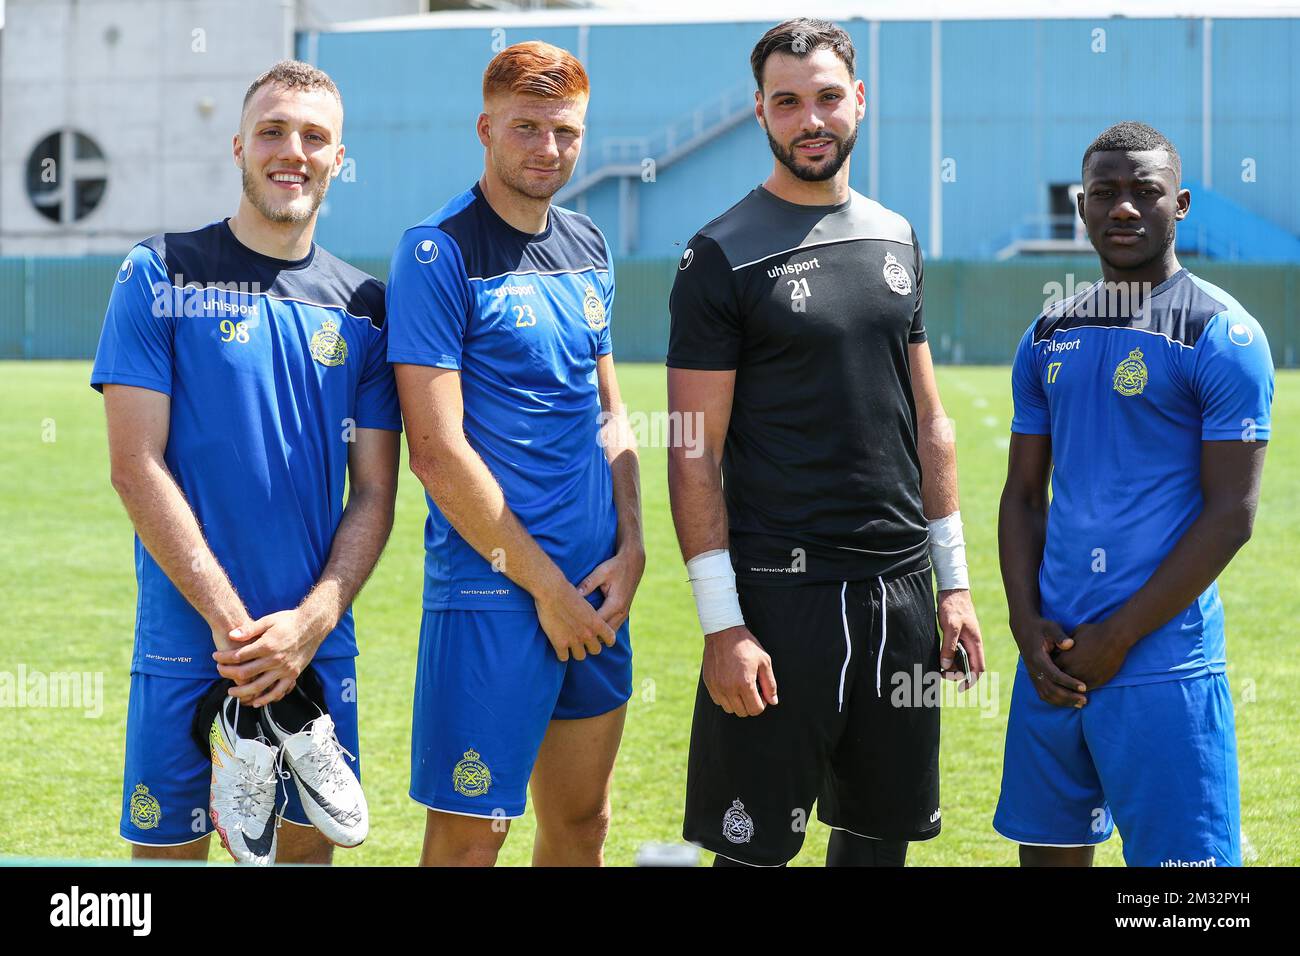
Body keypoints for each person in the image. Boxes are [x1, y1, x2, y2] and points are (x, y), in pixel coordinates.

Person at [667, 18, 984, 868]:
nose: (811, 119)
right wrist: (721, 625)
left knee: (880, 843)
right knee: (753, 853)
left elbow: (930, 421)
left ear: (860, 102)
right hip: (781, 599)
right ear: (762, 114)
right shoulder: (718, 254)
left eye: (828, 98)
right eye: (788, 102)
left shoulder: (896, 234)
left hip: (900, 593)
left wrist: (952, 585)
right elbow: (693, 449)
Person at [92, 60, 400, 864]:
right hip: (191, 642)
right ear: (239, 146)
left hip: (314, 646)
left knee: (303, 859)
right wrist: (239, 633)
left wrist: (309, 624)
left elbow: (372, 493)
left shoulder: (367, 307)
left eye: (314, 136)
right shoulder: (159, 271)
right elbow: (135, 464)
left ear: (339, 158)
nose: (291, 150)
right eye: (272, 130)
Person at [387, 41, 644, 867]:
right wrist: (544, 588)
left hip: (597, 590)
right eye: (526, 128)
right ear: (485, 128)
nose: (548, 149)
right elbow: (434, 452)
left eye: (565, 131)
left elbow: (612, 413)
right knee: (470, 841)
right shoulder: (436, 251)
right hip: (493, 594)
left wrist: (633, 548)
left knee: (582, 825)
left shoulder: (588, 243)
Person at [995, 121, 1273, 867]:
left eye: (1144, 192)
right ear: (1082, 207)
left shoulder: (1222, 335)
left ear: (1178, 205)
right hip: (1052, 660)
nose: (1124, 209)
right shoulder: (1050, 331)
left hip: (1159, 665)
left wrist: (1118, 637)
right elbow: (1023, 496)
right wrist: (1026, 624)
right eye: (1106, 193)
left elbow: (1231, 518)